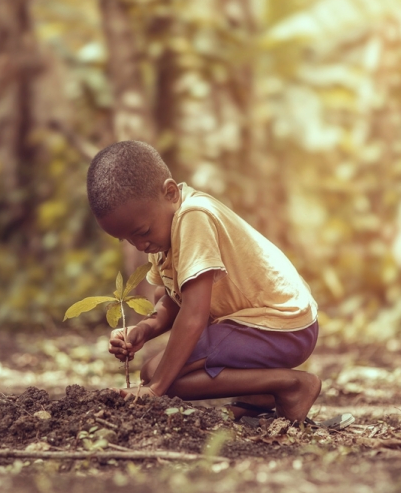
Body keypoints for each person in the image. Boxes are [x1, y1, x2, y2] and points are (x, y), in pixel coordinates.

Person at [86, 140, 321, 423]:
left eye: (142, 231)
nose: (139, 245)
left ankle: (293, 385)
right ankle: (261, 396)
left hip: (280, 326)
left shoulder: (192, 216)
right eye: (127, 239)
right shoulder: (163, 233)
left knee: (158, 378)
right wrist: (144, 330)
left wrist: (156, 389)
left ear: (170, 192)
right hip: (261, 328)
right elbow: (173, 301)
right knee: (156, 373)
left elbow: (194, 314)